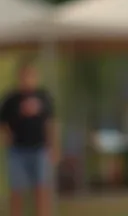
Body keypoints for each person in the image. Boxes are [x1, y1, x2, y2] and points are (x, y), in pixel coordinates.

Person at [1, 56, 57, 216]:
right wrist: (7, 137)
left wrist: (53, 146)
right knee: (16, 191)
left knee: (41, 190)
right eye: (25, 75)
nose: (28, 78)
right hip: (17, 151)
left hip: (40, 149)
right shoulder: (10, 99)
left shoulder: (44, 97)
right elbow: (3, 122)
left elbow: (51, 123)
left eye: (31, 74)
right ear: (19, 76)